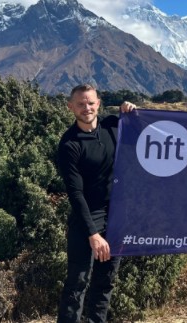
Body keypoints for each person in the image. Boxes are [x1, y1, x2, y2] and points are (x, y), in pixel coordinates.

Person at [56, 84, 136, 323]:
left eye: (90, 103)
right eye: (80, 104)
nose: (86, 108)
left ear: (98, 103)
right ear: (71, 107)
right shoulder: (69, 144)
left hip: (116, 216)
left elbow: (144, 132)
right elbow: (75, 193)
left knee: (105, 281)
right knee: (77, 282)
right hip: (87, 219)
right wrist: (92, 233)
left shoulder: (113, 126)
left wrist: (133, 111)